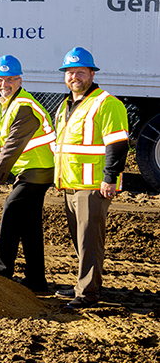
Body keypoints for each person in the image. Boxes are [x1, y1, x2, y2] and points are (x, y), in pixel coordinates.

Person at [53, 47, 128, 310]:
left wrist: (110, 179)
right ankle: (83, 284)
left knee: (89, 240)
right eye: (70, 72)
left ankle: (87, 293)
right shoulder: (68, 105)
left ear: (92, 74)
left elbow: (117, 145)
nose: (74, 77)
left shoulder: (106, 103)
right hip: (70, 184)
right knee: (81, 241)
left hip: (93, 185)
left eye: (80, 72)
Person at [0, 55, 55, 292]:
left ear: (20, 79)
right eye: (0, 79)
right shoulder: (11, 102)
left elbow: (13, 146)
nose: (5, 84)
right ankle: (36, 280)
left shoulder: (23, 106)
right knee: (29, 225)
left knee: (11, 212)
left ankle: (1, 273)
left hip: (38, 170)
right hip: (31, 170)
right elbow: (9, 147)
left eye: (10, 79)